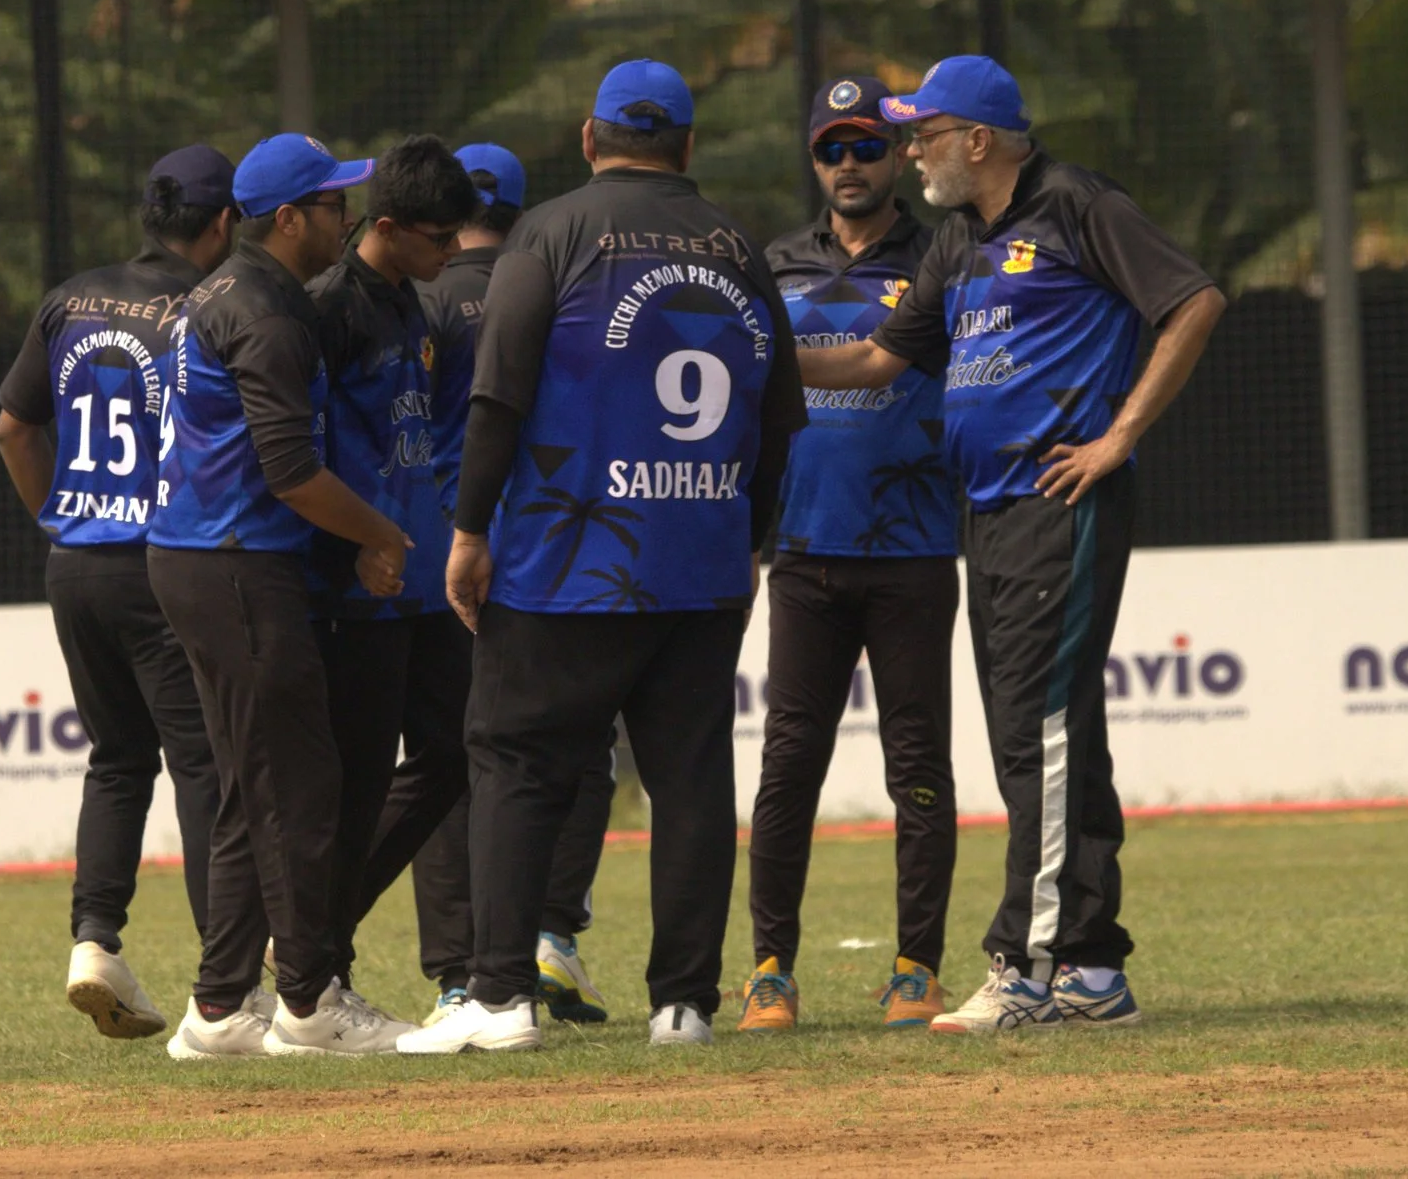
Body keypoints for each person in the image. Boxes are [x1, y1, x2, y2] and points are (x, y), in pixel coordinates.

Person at [796, 56, 1224, 1035]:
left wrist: (1118, 437)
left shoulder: (1076, 204)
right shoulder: (954, 240)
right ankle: (1088, 966)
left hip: (1055, 504)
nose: (910, 151)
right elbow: (871, 359)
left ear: (976, 139)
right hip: (981, 514)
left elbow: (1193, 300)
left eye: (923, 133)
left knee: (1039, 730)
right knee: (1042, 733)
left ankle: (1024, 964)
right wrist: (759, 355)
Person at [402, 60, 808, 1056]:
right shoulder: (739, 248)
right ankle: (684, 1003)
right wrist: (745, 538)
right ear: (689, 146)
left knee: (514, 763)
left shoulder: (551, 231)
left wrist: (467, 527)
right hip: (700, 562)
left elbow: (497, 394)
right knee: (691, 780)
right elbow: (782, 417)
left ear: (589, 139)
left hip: (565, 562)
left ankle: (499, 996)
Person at [144, 134, 420, 1060]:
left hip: (197, 556)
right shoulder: (269, 309)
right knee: (300, 785)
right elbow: (293, 471)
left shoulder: (216, 289)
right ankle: (307, 1002)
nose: (347, 216)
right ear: (289, 217)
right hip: (235, 564)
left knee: (250, 785)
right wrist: (380, 535)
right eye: (334, 204)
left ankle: (220, 1007)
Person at [0, 145, 235, 1043]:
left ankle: (95, 942)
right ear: (222, 225)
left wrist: (60, 516)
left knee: (118, 758)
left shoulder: (68, 298)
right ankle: (228, 978)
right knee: (206, 763)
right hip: (160, 561)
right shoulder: (202, 308)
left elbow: (13, 427)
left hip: (76, 563)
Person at [736, 81, 960, 1035]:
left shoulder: (944, 253)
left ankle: (918, 968)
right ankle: (769, 973)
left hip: (912, 547)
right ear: (816, 162)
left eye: (868, 146)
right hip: (802, 551)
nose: (850, 165)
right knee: (789, 764)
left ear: (894, 157)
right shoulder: (775, 261)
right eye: (834, 149)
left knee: (918, 765)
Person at [396, 144, 619, 1025]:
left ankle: (460, 972)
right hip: (547, 549)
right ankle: (551, 935)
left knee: (451, 759)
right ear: (522, 211)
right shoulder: (559, 287)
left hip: (432, 558)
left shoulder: (417, 299)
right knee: (575, 745)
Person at [302, 136, 478, 1001]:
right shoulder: (326, 310)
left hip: (420, 575)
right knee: (358, 780)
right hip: (354, 590)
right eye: (440, 238)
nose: (454, 253)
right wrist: (353, 547)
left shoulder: (415, 299)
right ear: (390, 225)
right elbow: (300, 457)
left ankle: (313, 934)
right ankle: (319, 966)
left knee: (454, 749)